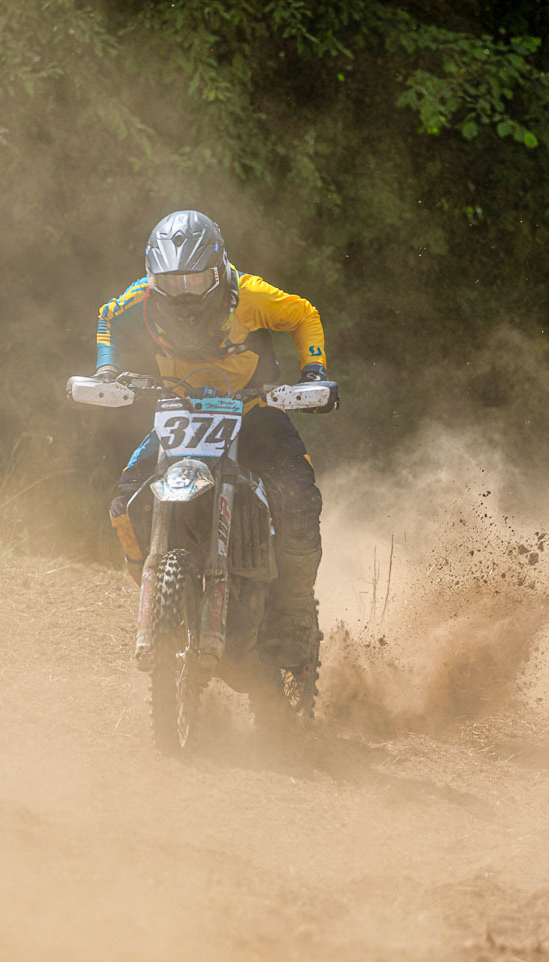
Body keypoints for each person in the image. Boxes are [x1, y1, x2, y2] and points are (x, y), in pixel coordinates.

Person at [91, 208, 335, 668]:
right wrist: (107, 369)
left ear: (219, 270)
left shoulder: (251, 295)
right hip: (180, 412)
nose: (184, 291)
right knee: (124, 503)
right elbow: (107, 317)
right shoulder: (141, 299)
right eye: (172, 281)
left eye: (196, 279)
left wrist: (314, 370)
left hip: (255, 412)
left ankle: (295, 614)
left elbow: (303, 314)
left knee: (299, 499)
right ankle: (157, 595)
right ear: (153, 277)